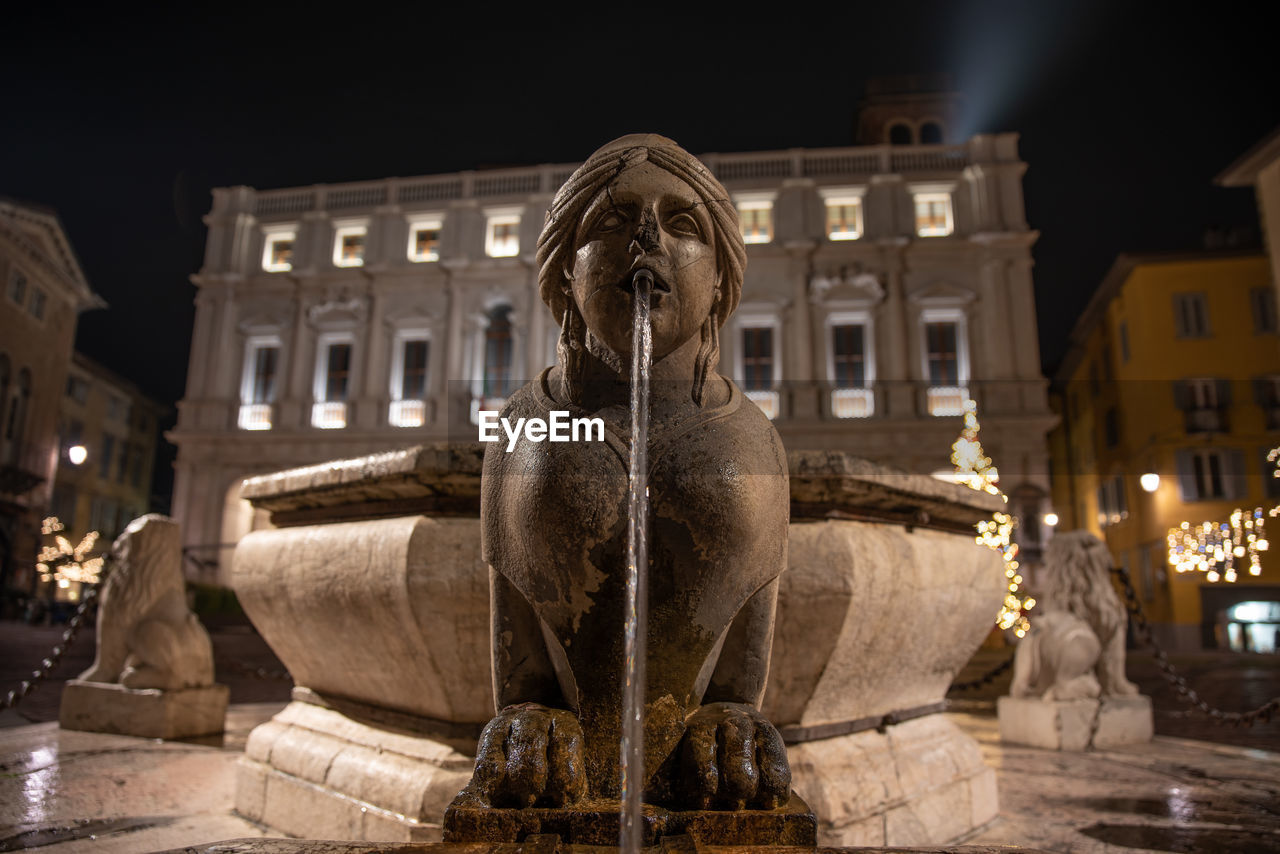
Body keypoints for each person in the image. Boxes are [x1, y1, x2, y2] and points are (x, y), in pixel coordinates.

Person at [460, 135, 792, 812]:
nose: (645, 236)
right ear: (562, 276)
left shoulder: (754, 439)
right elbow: (517, 640)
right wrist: (528, 710)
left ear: (722, 278)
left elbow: (744, 648)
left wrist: (732, 711)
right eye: (612, 221)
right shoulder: (528, 424)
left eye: (683, 223)